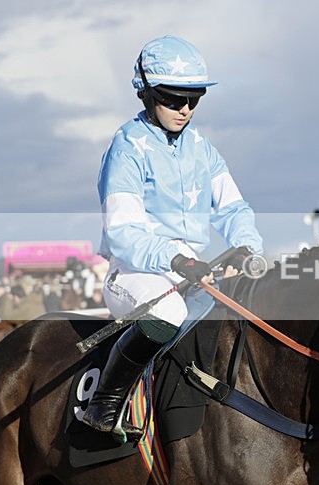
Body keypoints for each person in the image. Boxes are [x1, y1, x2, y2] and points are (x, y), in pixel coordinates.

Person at [82, 35, 264, 442]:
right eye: (172, 98)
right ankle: (104, 405)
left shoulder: (203, 149)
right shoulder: (126, 148)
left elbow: (233, 209)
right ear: (146, 93)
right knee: (167, 316)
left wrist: (248, 246)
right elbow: (123, 232)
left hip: (191, 272)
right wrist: (175, 259)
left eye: (193, 99)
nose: (185, 109)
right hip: (134, 274)